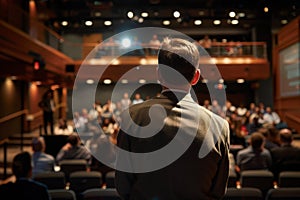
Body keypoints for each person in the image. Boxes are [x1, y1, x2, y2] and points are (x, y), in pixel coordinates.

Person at [116, 38, 230, 199]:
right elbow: (218, 191)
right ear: (196, 77)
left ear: (159, 74)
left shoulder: (132, 117)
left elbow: (123, 186)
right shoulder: (219, 126)